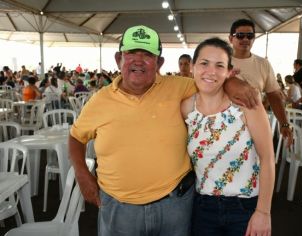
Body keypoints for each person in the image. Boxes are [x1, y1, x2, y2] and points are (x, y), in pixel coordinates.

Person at [69, 25, 262, 236]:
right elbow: (76, 137)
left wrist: (232, 82)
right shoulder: (100, 100)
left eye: (148, 55)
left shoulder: (179, 86)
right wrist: (82, 172)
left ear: (159, 63)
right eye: (131, 53)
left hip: (174, 205)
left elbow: (211, 80)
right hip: (118, 208)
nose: (138, 60)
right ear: (119, 59)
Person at [181, 37, 274, 236]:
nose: (211, 71)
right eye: (204, 63)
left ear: (229, 72)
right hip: (203, 208)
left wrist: (263, 211)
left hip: (245, 207)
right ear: (193, 67)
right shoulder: (186, 108)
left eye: (219, 65)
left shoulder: (246, 103)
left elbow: (268, 158)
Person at [228, 18, 292, 145]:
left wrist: (284, 122)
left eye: (250, 35)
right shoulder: (220, 62)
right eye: (240, 35)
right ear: (231, 39)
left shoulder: (263, 64)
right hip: (225, 126)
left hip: (255, 125)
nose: (245, 39)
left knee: (257, 161)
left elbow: (274, 95)